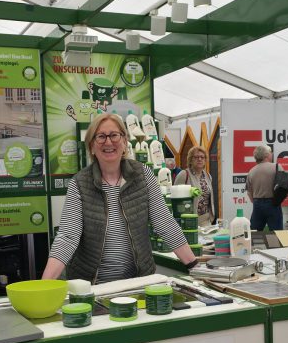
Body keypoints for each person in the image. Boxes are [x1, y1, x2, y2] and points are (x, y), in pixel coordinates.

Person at [42, 113, 198, 283]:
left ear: (124, 142)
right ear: (91, 146)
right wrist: (45, 284)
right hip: (91, 286)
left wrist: (194, 266)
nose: (108, 142)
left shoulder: (143, 175)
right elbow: (67, 237)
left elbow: (164, 223)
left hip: (137, 283)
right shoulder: (79, 184)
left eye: (114, 135)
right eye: (100, 136)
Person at [173, 146, 215, 228]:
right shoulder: (184, 174)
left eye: (202, 157)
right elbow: (174, 199)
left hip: (206, 221)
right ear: (190, 160)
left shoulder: (208, 176)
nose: (200, 159)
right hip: (189, 221)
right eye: (196, 157)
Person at [246, 143, 283, 230]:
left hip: (257, 204)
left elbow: (249, 192)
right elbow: (285, 187)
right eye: (270, 152)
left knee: (254, 233)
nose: (272, 153)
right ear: (266, 155)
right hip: (273, 204)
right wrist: (278, 200)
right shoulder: (277, 167)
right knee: (277, 234)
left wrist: (257, 201)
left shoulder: (251, 171)